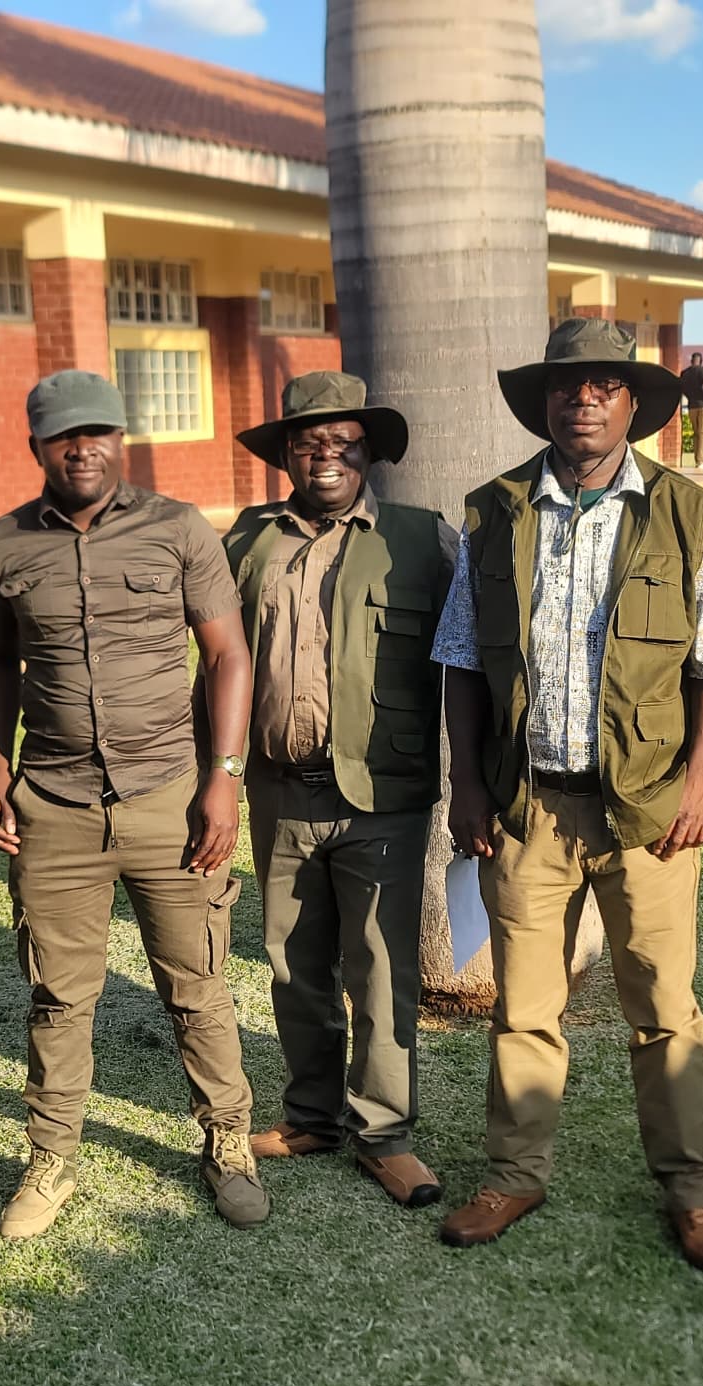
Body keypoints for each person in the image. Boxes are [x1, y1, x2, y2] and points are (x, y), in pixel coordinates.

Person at [432, 317, 703, 1270]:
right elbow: (461, 657)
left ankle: (692, 1190)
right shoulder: (493, 512)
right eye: (567, 385)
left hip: (648, 808)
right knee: (524, 1006)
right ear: (544, 402)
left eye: (605, 385)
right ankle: (514, 1174)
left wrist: (701, 782)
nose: (584, 399)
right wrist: (466, 784)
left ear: (630, 404)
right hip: (529, 804)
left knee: (664, 1003)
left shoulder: (683, 512)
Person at [0, 371, 267, 1236]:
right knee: (59, 998)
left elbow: (227, 655)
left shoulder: (178, 528)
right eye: (64, 436)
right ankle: (50, 1159)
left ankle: (228, 1143)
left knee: (197, 986)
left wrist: (224, 778)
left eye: (96, 431)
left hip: (169, 796)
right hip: (55, 804)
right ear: (36, 445)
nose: (82, 449)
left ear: (120, 439)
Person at [221, 372, 457, 1209]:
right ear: (287, 454)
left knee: (382, 967)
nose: (325, 454)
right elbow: (217, 655)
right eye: (307, 441)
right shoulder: (248, 540)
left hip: (382, 795)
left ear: (368, 451)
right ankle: (312, 1116)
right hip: (280, 791)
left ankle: (384, 1133)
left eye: (342, 441)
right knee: (294, 964)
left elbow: (469, 662)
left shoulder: (423, 539)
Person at [679, 350, 703, 471]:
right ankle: (701, 461)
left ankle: (698, 460)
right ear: (701, 361)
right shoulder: (702, 370)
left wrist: (689, 397)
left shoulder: (684, 373)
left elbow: (681, 387)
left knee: (696, 433)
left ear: (691, 361)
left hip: (692, 406)